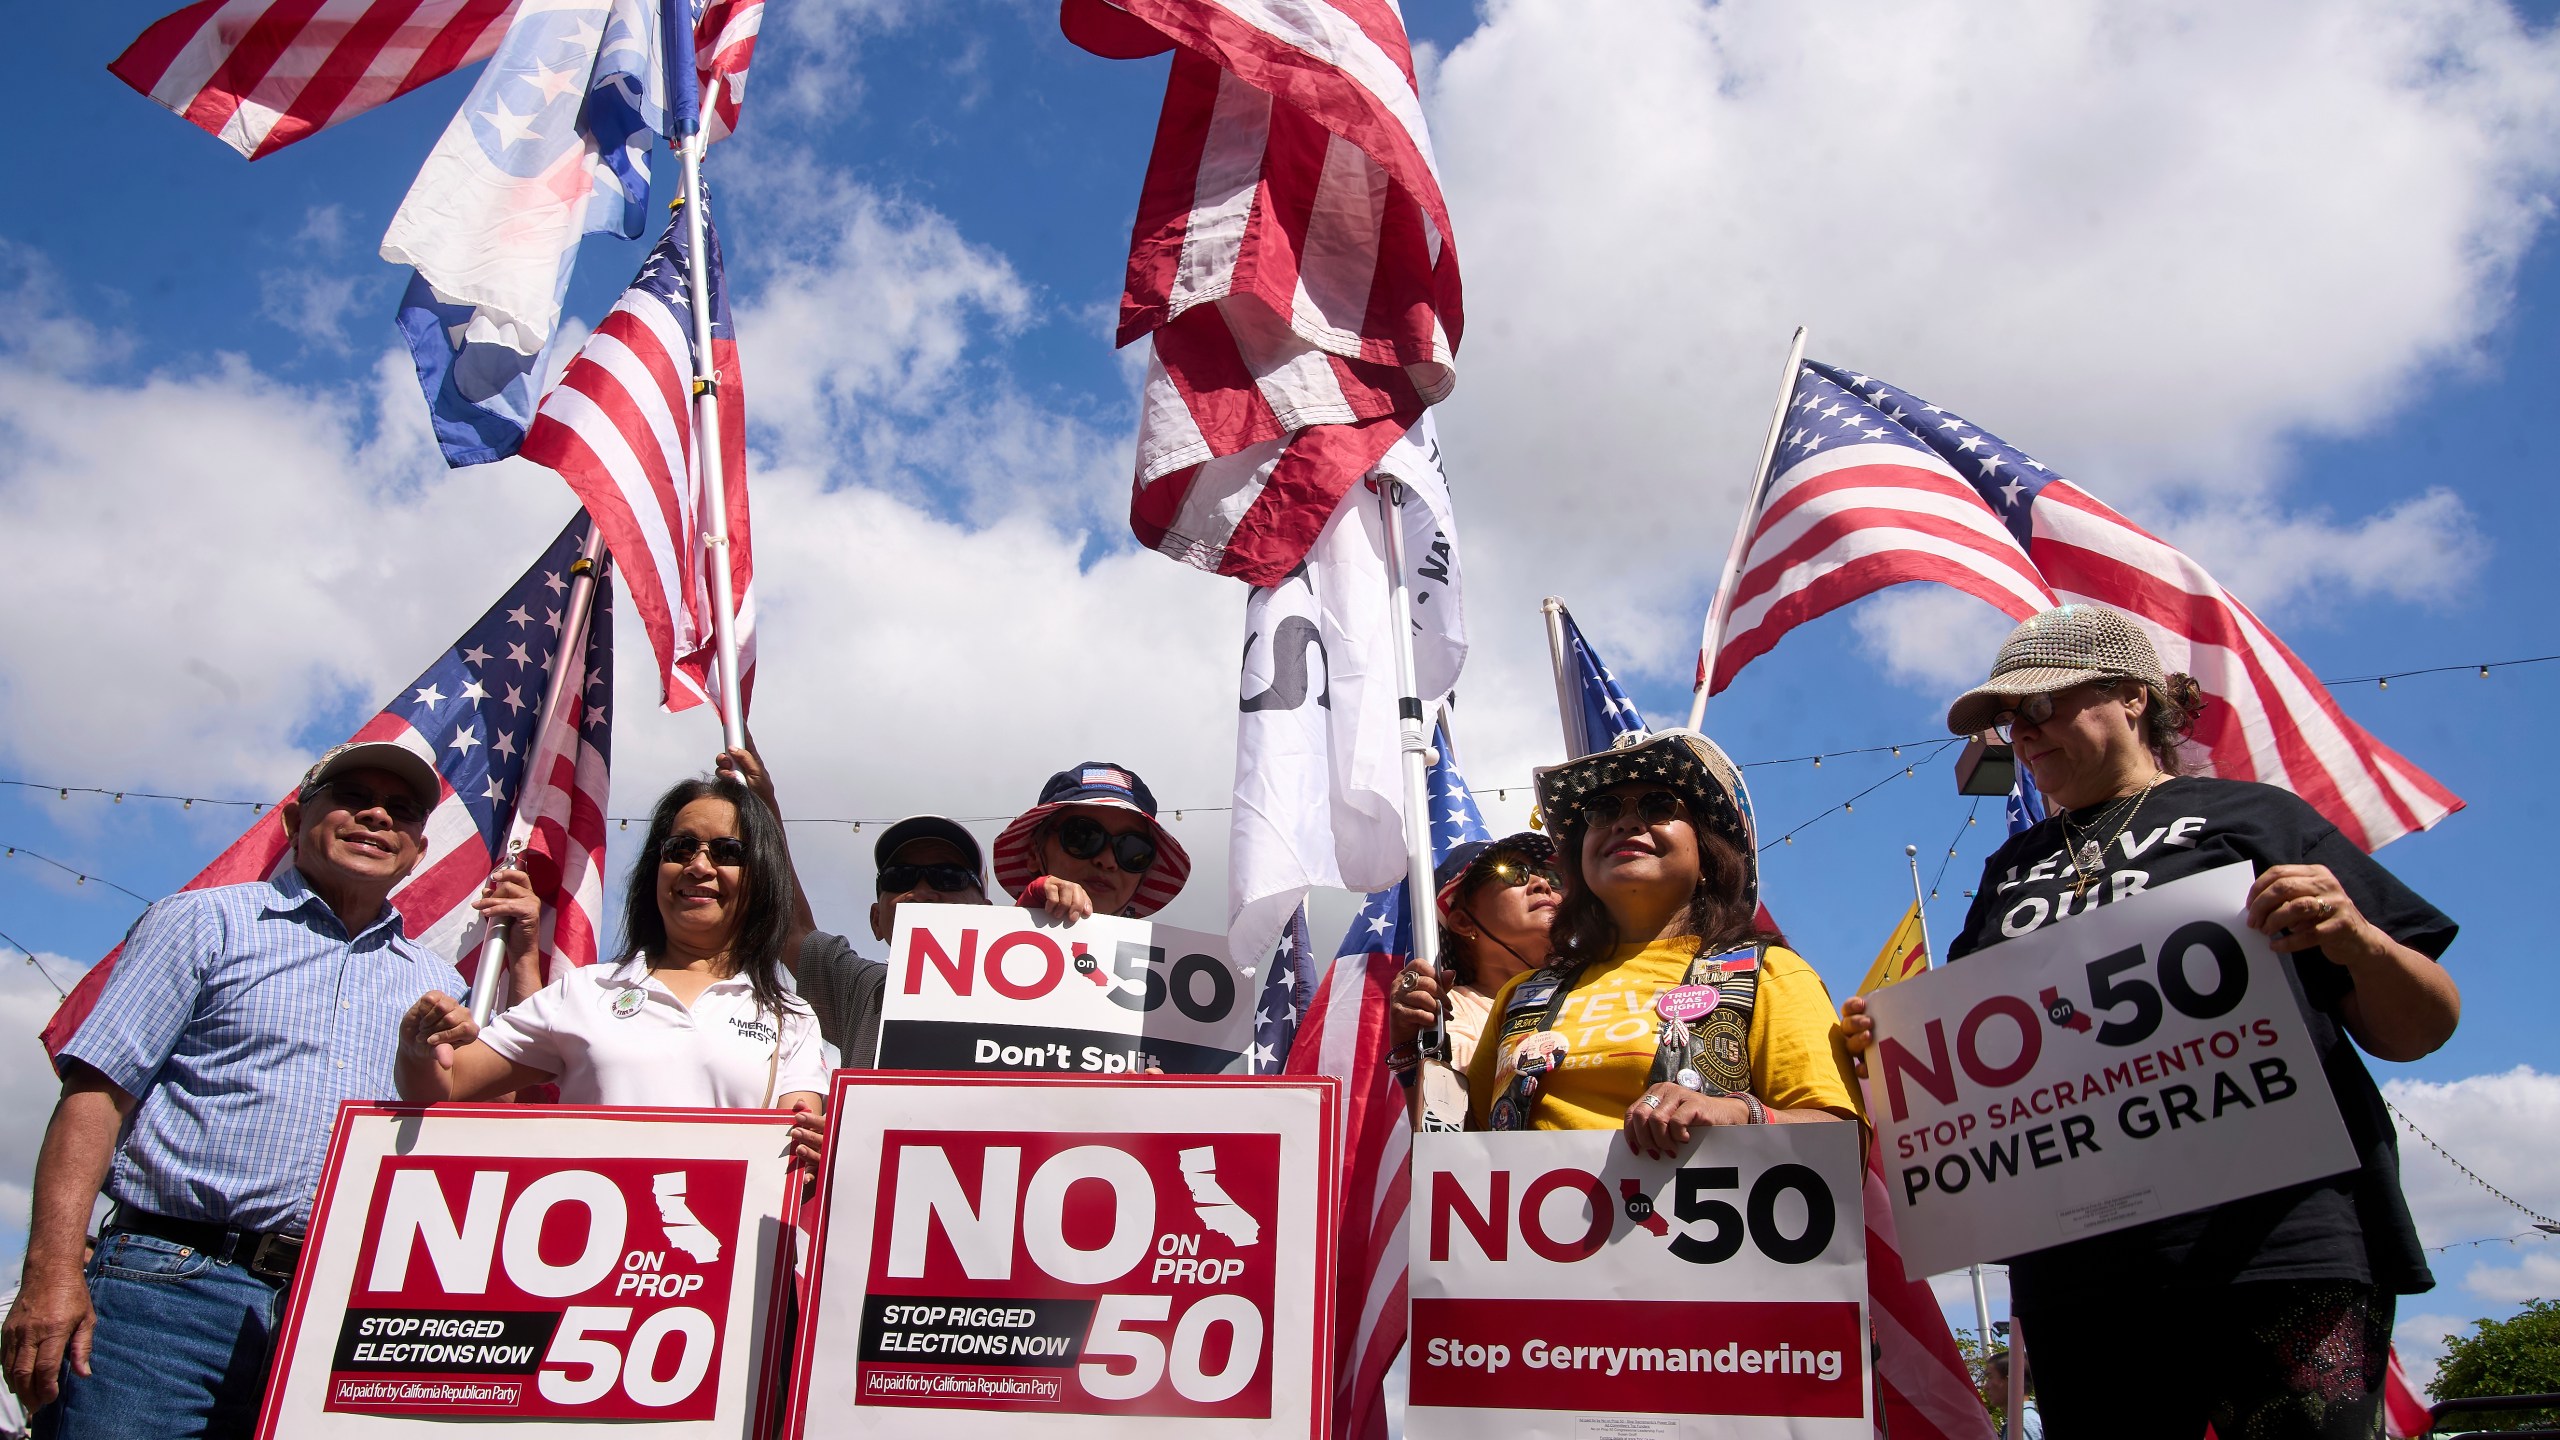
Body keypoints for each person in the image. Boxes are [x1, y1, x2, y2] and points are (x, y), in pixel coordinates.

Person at [1841, 603, 2461, 1440]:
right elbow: (1973, 1055)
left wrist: (2356, 940)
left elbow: (2419, 1028)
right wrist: (1889, 1049)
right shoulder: (2010, 869)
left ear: (2132, 697)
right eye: (2007, 721)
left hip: (2279, 1247)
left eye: (2040, 705)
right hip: (2081, 1274)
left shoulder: (2253, 818)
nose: (2022, 734)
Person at [1, 741, 467, 1437]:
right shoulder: (199, 923)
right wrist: (51, 1270)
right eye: (351, 799)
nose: (376, 817)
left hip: (336, 1309)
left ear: (419, 851)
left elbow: (457, 1145)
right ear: (293, 821)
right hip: (165, 1296)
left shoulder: (439, 987)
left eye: (400, 811)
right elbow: (96, 1097)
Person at [1462, 729, 1864, 1149]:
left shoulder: (1771, 972)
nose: (1626, 821)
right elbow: (1456, 1151)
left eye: (1658, 806)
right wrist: (1412, 1063)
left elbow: (1843, 1145)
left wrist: (1741, 1114)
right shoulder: (1519, 995)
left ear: (1706, 854)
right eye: (1602, 810)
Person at [396, 774, 829, 1163]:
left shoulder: (790, 1017)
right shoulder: (585, 992)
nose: (699, 866)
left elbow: (796, 1156)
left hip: (711, 1246)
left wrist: (813, 1153)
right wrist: (420, 1049)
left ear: (762, 876)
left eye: (726, 852)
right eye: (681, 848)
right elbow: (444, 1085)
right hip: (584, 1242)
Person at [1386, 834, 1560, 1129]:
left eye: (1553, 876)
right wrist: (1412, 1050)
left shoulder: (1602, 986)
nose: (1542, 884)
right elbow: (1450, 1132)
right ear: (1464, 922)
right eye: (1513, 873)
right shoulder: (1449, 1013)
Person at [989, 762, 1192, 921]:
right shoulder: (979, 945)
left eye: (1133, 850)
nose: (1107, 860)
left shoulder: (1159, 973)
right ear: (1034, 853)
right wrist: (1027, 915)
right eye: (1082, 836)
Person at [1982, 1350, 2043, 1440]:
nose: (1985, 1386)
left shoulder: (2021, 1424)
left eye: (1990, 1377)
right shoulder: (2024, 1420)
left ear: (2011, 1380)